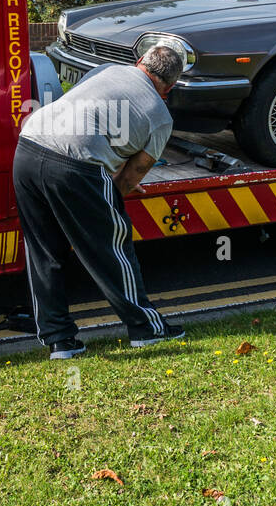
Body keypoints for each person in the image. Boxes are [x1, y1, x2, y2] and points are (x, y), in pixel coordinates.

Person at [14, 45, 186, 359]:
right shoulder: (161, 118)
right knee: (112, 247)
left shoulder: (104, 71)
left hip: (29, 146)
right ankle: (147, 329)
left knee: (42, 250)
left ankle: (60, 341)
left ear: (139, 63)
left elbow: (90, 113)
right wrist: (104, 202)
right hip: (75, 165)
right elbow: (132, 176)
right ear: (170, 86)